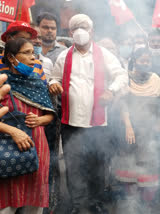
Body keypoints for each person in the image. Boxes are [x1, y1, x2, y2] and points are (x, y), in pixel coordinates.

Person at [49, 14, 128, 214]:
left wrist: (111, 90)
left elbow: (121, 75)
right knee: (74, 166)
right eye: (75, 27)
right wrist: (53, 84)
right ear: (70, 32)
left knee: (98, 166)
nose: (80, 30)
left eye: (84, 26)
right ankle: (78, 205)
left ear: (92, 31)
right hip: (71, 122)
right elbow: (54, 78)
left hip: (99, 123)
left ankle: (96, 202)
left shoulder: (105, 54)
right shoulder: (64, 56)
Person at [0, 38, 55, 214]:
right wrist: (14, 131)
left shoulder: (38, 83)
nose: (33, 58)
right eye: (26, 53)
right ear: (11, 57)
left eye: (33, 52)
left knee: (34, 202)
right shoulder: (2, 84)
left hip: (38, 146)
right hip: (9, 147)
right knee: (8, 201)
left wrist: (40, 120)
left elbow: (50, 115)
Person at [113, 47, 160, 213]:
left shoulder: (156, 79)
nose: (146, 63)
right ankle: (130, 203)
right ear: (134, 61)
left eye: (148, 61)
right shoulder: (126, 79)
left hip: (149, 131)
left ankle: (146, 203)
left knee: (149, 165)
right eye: (142, 60)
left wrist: (158, 124)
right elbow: (123, 105)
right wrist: (128, 126)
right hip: (129, 130)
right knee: (129, 165)